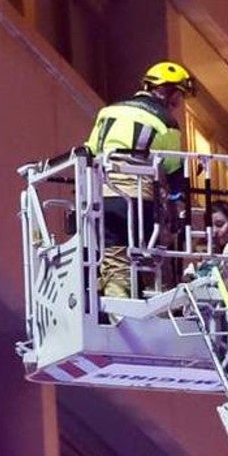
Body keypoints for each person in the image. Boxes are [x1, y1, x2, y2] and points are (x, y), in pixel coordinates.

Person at [84, 61, 196, 304]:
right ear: (167, 91)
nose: (178, 104)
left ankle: (115, 307)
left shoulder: (108, 112)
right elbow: (172, 168)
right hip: (139, 198)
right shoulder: (166, 121)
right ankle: (137, 312)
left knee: (114, 259)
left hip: (102, 195)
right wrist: (178, 200)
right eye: (179, 97)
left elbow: (90, 150)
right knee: (147, 258)